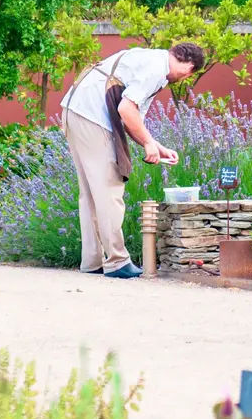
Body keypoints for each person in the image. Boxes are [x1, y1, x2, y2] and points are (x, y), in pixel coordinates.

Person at [60, 41, 206, 277]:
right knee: (109, 187)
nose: (185, 78)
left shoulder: (151, 59)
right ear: (189, 68)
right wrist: (148, 143)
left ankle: (92, 261)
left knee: (90, 193)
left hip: (75, 111)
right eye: (189, 75)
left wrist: (157, 146)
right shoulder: (157, 70)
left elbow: (132, 120)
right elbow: (126, 110)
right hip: (92, 117)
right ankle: (117, 261)